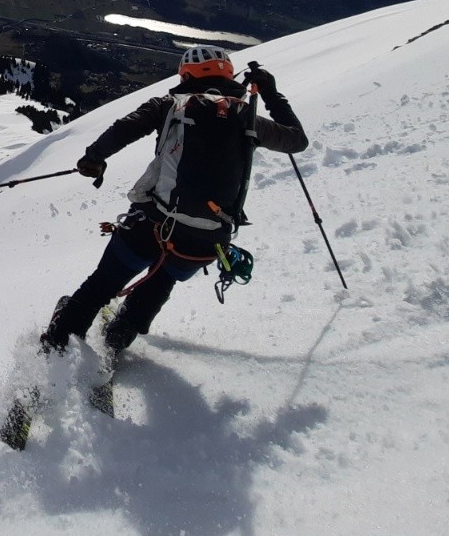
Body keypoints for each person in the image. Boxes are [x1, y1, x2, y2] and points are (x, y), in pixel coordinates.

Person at [39, 45, 309, 358]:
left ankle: (58, 343)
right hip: (207, 239)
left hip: (151, 222)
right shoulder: (249, 120)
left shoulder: (170, 105)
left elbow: (124, 127)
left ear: (186, 75)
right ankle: (122, 332)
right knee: (163, 279)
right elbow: (297, 141)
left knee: (104, 282)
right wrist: (272, 93)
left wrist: (94, 159)